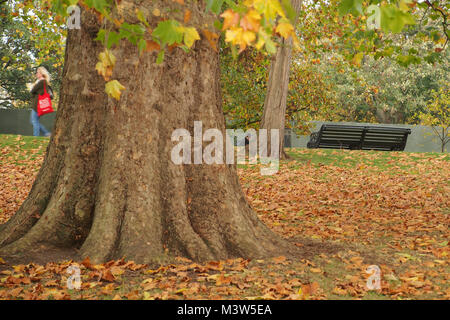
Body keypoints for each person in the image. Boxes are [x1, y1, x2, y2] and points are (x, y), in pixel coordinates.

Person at [29, 66, 54, 137]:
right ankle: (47, 133)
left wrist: (35, 85)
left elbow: (32, 90)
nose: (36, 74)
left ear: (41, 73)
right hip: (38, 105)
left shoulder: (41, 82)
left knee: (34, 121)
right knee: (33, 121)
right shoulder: (42, 82)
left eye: (37, 72)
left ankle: (36, 136)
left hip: (37, 105)